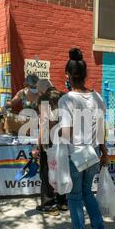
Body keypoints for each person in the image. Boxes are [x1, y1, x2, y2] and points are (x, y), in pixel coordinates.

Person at [58, 48, 109, 229]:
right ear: (85, 74)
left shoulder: (66, 100)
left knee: (75, 197)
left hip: (76, 156)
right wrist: (104, 151)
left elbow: (67, 132)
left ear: (68, 75)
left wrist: (56, 129)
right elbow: (101, 127)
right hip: (94, 153)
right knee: (88, 193)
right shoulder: (96, 97)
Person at [32, 79, 68, 215]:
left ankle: (48, 204)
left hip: (49, 141)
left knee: (46, 171)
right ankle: (62, 201)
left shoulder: (44, 99)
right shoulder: (63, 96)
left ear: (41, 90)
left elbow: (43, 124)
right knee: (62, 169)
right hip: (64, 139)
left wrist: (37, 146)